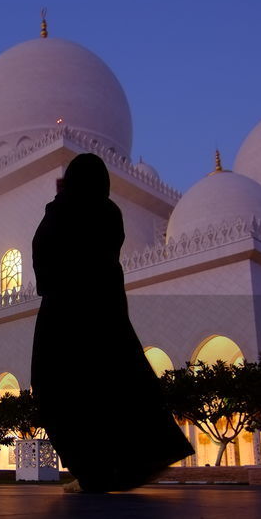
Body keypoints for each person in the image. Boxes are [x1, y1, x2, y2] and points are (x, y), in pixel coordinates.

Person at [30, 153, 192, 492]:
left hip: (66, 317)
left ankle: (92, 471)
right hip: (106, 314)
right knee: (120, 386)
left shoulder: (62, 212)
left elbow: (44, 254)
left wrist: (58, 201)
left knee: (64, 391)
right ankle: (136, 461)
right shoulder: (110, 212)